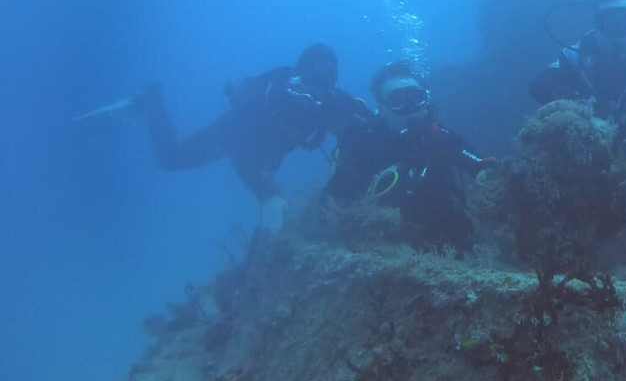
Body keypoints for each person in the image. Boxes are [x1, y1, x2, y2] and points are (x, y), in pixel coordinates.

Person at [91, 43, 372, 233]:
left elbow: (367, 121)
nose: (313, 99)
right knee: (170, 160)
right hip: (232, 135)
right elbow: (242, 153)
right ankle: (153, 99)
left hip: (268, 153)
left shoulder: (332, 100)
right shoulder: (271, 98)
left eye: (322, 90)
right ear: (298, 78)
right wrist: (266, 195)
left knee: (274, 186)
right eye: (308, 89)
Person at [325, 59, 492, 252]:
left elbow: (480, 165)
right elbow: (335, 201)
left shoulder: (439, 137)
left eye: (416, 97)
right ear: (381, 107)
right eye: (398, 100)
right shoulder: (363, 144)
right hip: (383, 248)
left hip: (448, 240)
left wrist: (487, 172)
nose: (411, 106)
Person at [529, 0, 626, 163]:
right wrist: (582, 106)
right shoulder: (578, 54)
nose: (618, 32)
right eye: (610, 23)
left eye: (624, 22)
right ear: (596, 27)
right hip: (575, 158)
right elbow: (540, 85)